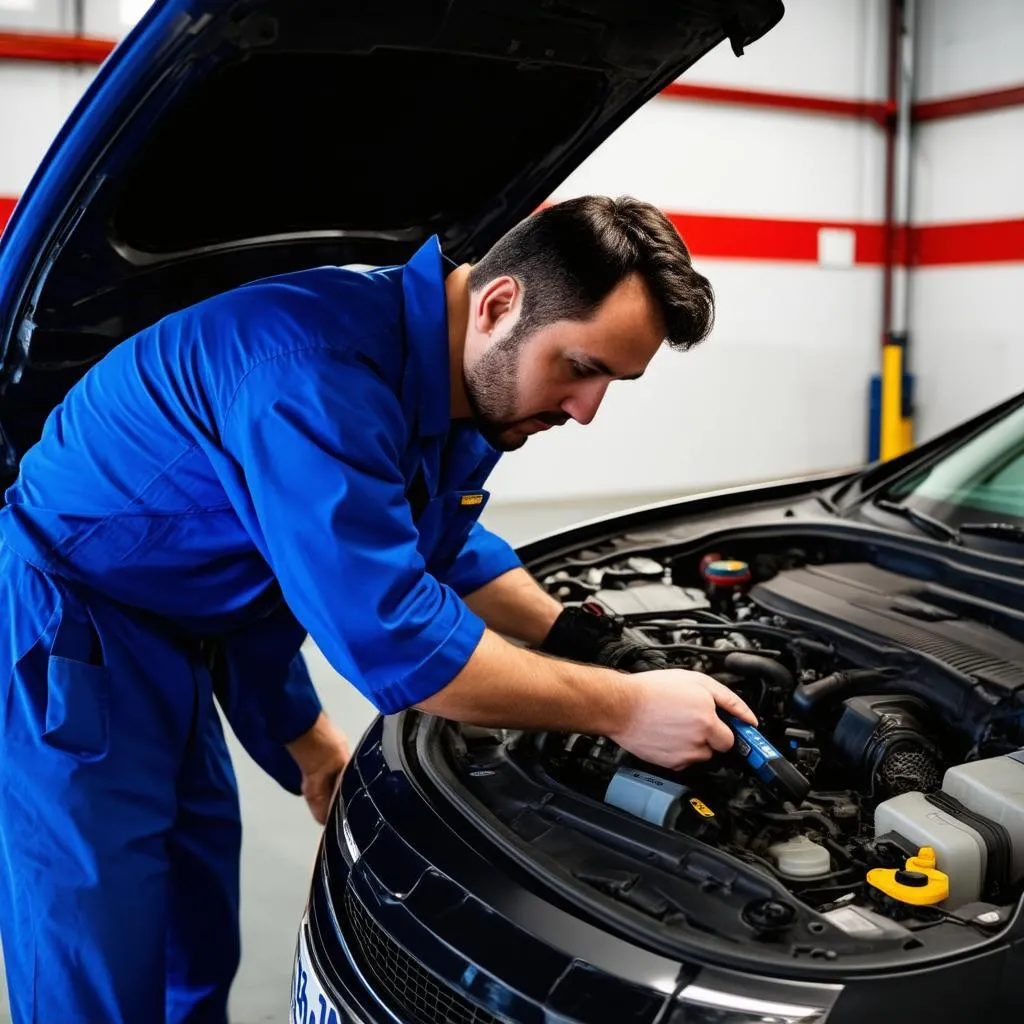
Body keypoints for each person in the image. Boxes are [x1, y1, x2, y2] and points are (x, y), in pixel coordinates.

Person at [0, 194, 755, 1023]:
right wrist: (625, 709)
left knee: (194, 924)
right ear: (501, 304)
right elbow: (399, 639)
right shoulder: (316, 372)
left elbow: (436, 540)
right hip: (74, 621)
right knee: (99, 950)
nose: (586, 410)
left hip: (189, 620)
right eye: (580, 367)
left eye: (615, 380)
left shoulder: (446, 374)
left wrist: (577, 637)